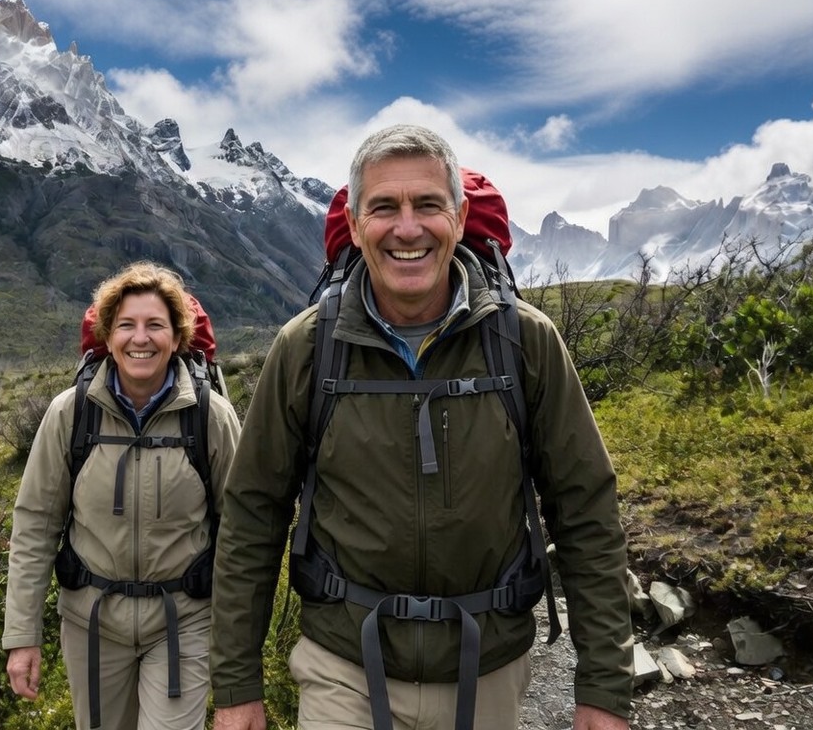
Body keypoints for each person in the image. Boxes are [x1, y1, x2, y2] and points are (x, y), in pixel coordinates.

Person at [209, 125, 634, 730]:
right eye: (384, 207)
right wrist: (236, 685)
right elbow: (253, 513)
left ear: (459, 217)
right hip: (343, 668)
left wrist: (604, 687)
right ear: (355, 226)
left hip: (484, 669)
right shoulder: (306, 347)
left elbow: (586, 507)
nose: (407, 228)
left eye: (428, 205)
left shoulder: (525, 342)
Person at [3, 261, 242, 730]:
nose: (140, 338)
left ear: (177, 338)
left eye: (156, 325)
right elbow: (36, 524)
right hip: (91, 625)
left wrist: (239, 647)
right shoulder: (70, 414)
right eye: (127, 325)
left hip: (183, 623)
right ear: (108, 336)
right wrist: (22, 636)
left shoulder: (210, 417)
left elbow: (240, 530)